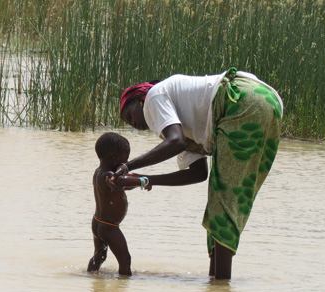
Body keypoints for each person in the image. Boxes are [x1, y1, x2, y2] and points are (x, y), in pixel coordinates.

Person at [117, 68, 282, 280]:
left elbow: (174, 143)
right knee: (227, 197)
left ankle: (221, 286)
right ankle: (216, 288)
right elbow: (198, 174)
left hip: (242, 101)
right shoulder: (178, 124)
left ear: (140, 100)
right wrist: (144, 180)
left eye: (130, 115)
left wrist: (127, 167)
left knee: (223, 201)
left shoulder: (154, 96)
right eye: (129, 124)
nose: (135, 125)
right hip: (267, 101)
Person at [87, 132, 151, 275]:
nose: (126, 163)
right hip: (109, 227)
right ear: (115, 158)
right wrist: (144, 181)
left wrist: (136, 181)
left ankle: (91, 278)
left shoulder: (99, 172)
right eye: (125, 159)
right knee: (125, 260)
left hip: (97, 222)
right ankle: (122, 290)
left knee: (99, 256)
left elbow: (124, 184)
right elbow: (120, 182)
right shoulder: (109, 176)